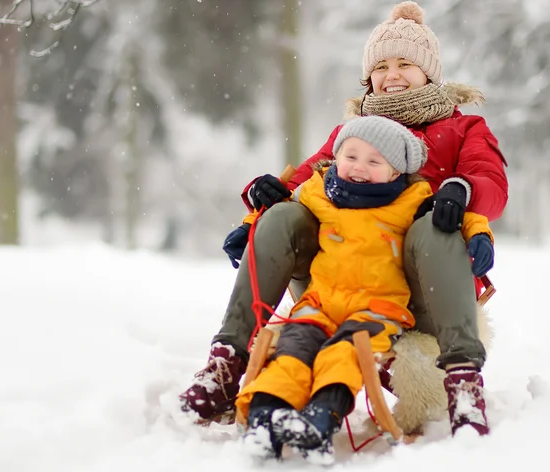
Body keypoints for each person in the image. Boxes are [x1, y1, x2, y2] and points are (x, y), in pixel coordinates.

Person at [178, 0, 508, 438]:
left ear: (430, 71)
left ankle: (464, 380)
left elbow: (492, 184)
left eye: (405, 64)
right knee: (284, 215)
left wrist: (460, 190)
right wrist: (264, 204)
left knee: (433, 222)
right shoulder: (351, 133)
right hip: (341, 277)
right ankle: (226, 362)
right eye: (382, 66)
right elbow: (306, 177)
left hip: (420, 287)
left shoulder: (464, 129)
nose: (391, 75)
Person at [234, 115, 495, 463]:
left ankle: (321, 420)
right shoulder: (318, 190)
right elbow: (283, 203)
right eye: (351, 156)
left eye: (374, 162)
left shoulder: (413, 198)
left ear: (395, 173)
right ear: (336, 158)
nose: (359, 168)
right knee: (291, 353)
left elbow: (464, 216)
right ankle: (265, 417)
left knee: (342, 356)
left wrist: (479, 234)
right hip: (320, 303)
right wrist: (250, 223)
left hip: (376, 309)